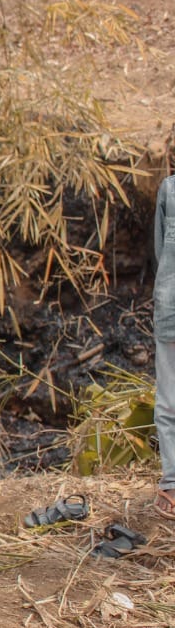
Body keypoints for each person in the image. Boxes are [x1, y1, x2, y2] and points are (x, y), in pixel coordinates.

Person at [153, 172, 175, 519]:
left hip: (170, 302)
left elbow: (161, 251)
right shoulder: (168, 190)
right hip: (170, 307)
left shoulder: (170, 189)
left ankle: (172, 485)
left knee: (170, 401)